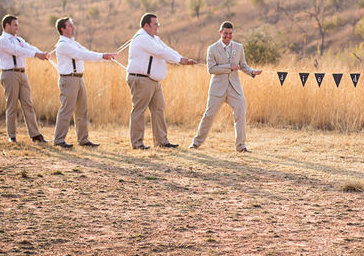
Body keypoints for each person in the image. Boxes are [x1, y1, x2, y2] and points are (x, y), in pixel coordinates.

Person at [126, 13, 196, 150]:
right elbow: (159, 52)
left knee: (159, 109)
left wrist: (181, 58)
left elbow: (167, 50)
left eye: (158, 24)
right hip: (141, 79)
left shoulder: (155, 38)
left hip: (153, 80)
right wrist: (179, 60)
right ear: (146, 25)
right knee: (139, 110)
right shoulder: (142, 38)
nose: (158, 27)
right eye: (155, 24)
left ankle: (161, 141)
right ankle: (137, 143)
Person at [190, 21, 262, 152]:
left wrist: (252, 72)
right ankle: (196, 143)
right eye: (225, 33)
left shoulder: (239, 47)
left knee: (241, 113)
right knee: (209, 115)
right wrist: (229, 67)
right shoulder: (212, 49)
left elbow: (243, 65)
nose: (228, 36)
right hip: (217, 89)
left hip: (235, 88)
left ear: (233, 33)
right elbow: (211, 69)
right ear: (220, 33)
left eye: (230, 33)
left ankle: (241, 146)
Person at [52, 17, 116, 148]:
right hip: (68, 79)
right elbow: (81, 55)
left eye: (72, 25)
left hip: (79, 78)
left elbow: (87, 52)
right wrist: (102, 56)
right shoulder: (63, 45)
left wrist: (104, 57)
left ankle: (83, 139)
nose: (73, 28)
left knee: (82, 110)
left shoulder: (74, 43)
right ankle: (59, 140)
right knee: (66, 109)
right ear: (62, 29)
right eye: (70, 26)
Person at [0, 15, 50, 143]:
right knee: (12, 105)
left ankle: (35, 135)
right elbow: (17, 51)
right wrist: (37, 55)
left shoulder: (19, 39)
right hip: (9, 74)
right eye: (15, 25)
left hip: (22, 74)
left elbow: (28, 47)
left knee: (28, 104)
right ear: (7, 25)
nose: (17, 27)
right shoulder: (2, 40)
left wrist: (41, 53)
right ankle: (12, 136)